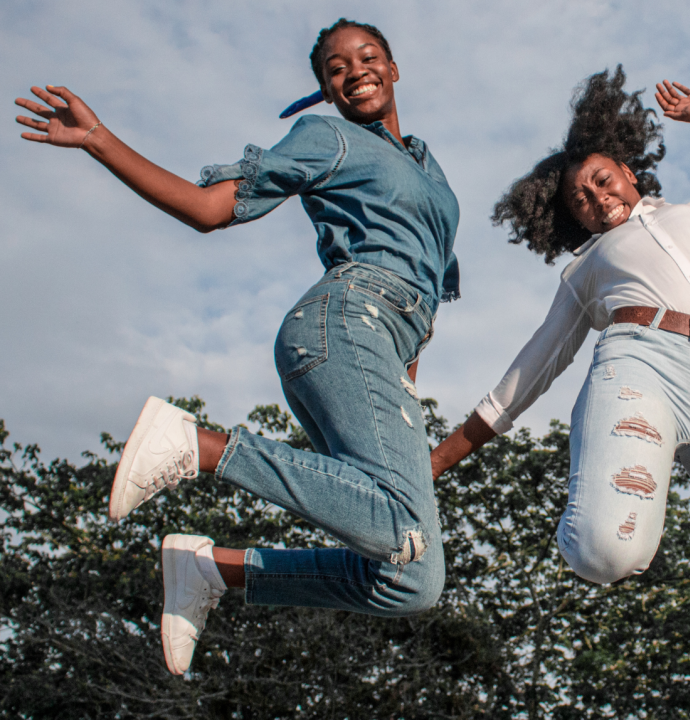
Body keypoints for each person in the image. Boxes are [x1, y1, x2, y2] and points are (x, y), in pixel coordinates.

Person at [16, 19, 458, 674]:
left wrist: (405, 394)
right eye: (335, 68)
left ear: (394, 69)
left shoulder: (429, 169)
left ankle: (214, 572)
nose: (354, 70)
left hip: (387, 352)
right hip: (345, 322)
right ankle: (198, 445)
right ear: (325, 92)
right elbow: (207, 209)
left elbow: (428, 287)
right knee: (398, 525)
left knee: (413, 579)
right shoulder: (327, 136)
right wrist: (99, 141)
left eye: (367, 57)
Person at [430, 68, 690, 627]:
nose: (598, 198)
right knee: (607, 551)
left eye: (602, 180)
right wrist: (433, 464)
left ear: (627, 171)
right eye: (580, 200)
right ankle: (595, 492)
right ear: (573, 220)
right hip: (642, 366)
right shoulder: (585, 268)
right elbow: (523, 380)